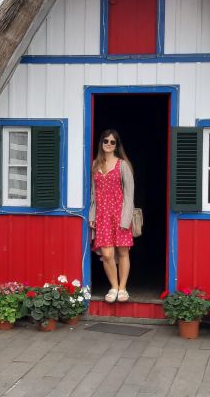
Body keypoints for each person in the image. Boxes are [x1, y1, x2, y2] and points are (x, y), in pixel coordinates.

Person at [89, 129, 134, 303]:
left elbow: (129, 194)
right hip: (102, 215)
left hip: (120, 213)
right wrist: (92, 215)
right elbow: (93, 194)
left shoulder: (123, 165)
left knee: (122, 251)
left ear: (117, 145)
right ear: (101, 143)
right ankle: (114, 287)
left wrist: (126, 218)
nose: (108, 144)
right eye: (105, 141)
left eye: (112, 142)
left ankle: (123, 288)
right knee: (107, 254)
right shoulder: (95, 165)